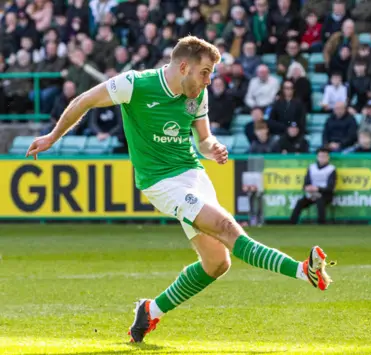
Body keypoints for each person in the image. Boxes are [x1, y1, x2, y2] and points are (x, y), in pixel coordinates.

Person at [24, 36, 334, 344]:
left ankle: (150, 310)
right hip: (161, 182)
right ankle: (303, 270)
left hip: (192, 174)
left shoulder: (197, 94)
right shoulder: (134, 84)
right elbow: (84, 101)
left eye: (211, 73)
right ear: (183, 66)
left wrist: (213, 149)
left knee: (218, 263)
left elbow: (204, 139)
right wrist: (53, 137)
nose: (208, 80)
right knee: (227, 227)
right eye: (205, 72)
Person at [290, 148, 337, 224]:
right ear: (317, 157)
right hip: (312, 193)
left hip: (325, 194)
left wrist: (318, 189)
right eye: (320, 156)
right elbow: (306, 182)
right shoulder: (312, 167)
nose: (322, 159)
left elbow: (330, 187)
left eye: (324, 157)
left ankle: (321, 223)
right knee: (300, 202)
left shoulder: (331, 169)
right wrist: (307, 187)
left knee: (320, 200)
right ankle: (291, 222)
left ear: (328, 158)